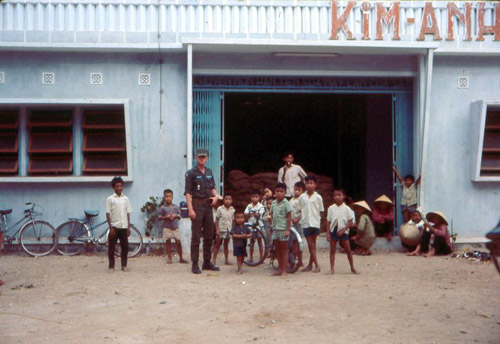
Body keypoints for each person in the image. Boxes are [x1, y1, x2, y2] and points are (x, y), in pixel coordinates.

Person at [184, 148, 220, 274]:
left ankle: (207, 262)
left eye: (204, 157)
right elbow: (188, 193)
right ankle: (195, 264)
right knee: (196, 236)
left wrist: (216, 196)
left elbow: (212, 188)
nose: (202, 159)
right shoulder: (191, 173)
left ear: (207, 158)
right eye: (200, 157)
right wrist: (190, 209)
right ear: (195, 158)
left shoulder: (209, 172)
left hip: (208, 206)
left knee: (209, 235)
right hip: (197, 205)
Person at [326, 189, 357, 275]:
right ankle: (332, 268)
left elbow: (350, 221)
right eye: (335, 195)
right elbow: (328, 221)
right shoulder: (331, 208)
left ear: (343, 196)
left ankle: (352, 267)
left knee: (348, 250)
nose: (337, 197)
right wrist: (328, 233)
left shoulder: (347, 209)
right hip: (334, 230)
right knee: (332, 250)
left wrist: (344, 230)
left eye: (339, 195)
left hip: (343, 231)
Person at [106, 176, 132, 273]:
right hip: (115, 227)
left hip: (124, 227)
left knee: (125, 248)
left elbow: (128, 213)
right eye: (117, 186)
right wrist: (111, 227)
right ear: (113, 187)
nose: (119, 188)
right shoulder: (110, 199)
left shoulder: (126, 199)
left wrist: (128, 227)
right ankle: (111, 267)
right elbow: (108, 213)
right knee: (111, 248)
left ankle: (124, 265)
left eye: (121, 186)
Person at [299, 175, 324, 273]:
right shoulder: (302, 197)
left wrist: (320, 224)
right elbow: (300, 209)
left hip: (315, 222)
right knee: (310, 245)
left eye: (311, 183)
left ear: (315, 185)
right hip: (306, 223)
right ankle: (316, 265)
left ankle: (310, 265)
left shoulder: (318, 197)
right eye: (307, 183)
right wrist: (298, 218)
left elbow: (321, 210)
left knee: (312, 245)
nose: (309, 185)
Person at [159, 189, 187, 264]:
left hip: (175, 227)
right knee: (168, 243)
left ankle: (181, 258)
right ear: (164, 197)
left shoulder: (176, 207)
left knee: (178, 242)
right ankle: (169, 258)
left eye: (170, 197)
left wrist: (176, 216)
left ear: (172, 197)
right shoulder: (162, 208)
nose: (168, 198)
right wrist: (166, 217)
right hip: (167, 227)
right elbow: (160, 217)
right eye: (166, 197)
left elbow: (180, 215)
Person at [269, 183, 292, 276]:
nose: (279, 193)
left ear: (285, 193)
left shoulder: (286, 203)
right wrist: (270, 219)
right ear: (275, 192)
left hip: (283, 229)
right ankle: (279, 268)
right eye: (277, 191)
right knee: (277, 250)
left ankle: (284, 270)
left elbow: (289, 217)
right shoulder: (273, 203)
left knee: (284, 250)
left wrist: (287, 230)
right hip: (275, 229)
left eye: (281, 192)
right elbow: (271, 214)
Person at [212, 194, 235, 266]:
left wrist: (233, 230)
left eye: (229, 199)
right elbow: (217, 220)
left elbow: (233, 220)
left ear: (231, 201)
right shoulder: (220, 209)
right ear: (223, 200)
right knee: (217, 245)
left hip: (228, 229)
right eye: (226, 199)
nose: (228, 201)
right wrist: (217, 230)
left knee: (226, 245)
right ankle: (213, 260)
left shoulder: (232, 210)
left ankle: (226, 260)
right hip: (221, 229)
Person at [244, 190, 265, 262]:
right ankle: (251, 257)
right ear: (250, 198)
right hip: (251, 226)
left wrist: (255, 214)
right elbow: (246, 214)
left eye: (256, 197)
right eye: (253, 197)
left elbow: (260, 214)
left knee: (260, 241)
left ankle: (261, 257)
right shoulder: (249, 206)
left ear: (259, 198)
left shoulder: (261, 206)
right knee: (251, 242)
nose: (254, 198)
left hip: (259, 226)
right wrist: (251, 214)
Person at [289, 181, 305, 267]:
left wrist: (298, 219)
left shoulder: (302, 200)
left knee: (299, 242)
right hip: (291, 224)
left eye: (299, 190)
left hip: (299, 223)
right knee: (293, 242)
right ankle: (294, 259)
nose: (296, 192)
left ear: (302, 191)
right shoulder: (291, 200)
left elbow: (304, 211)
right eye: (295, 190)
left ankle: (300, 260)